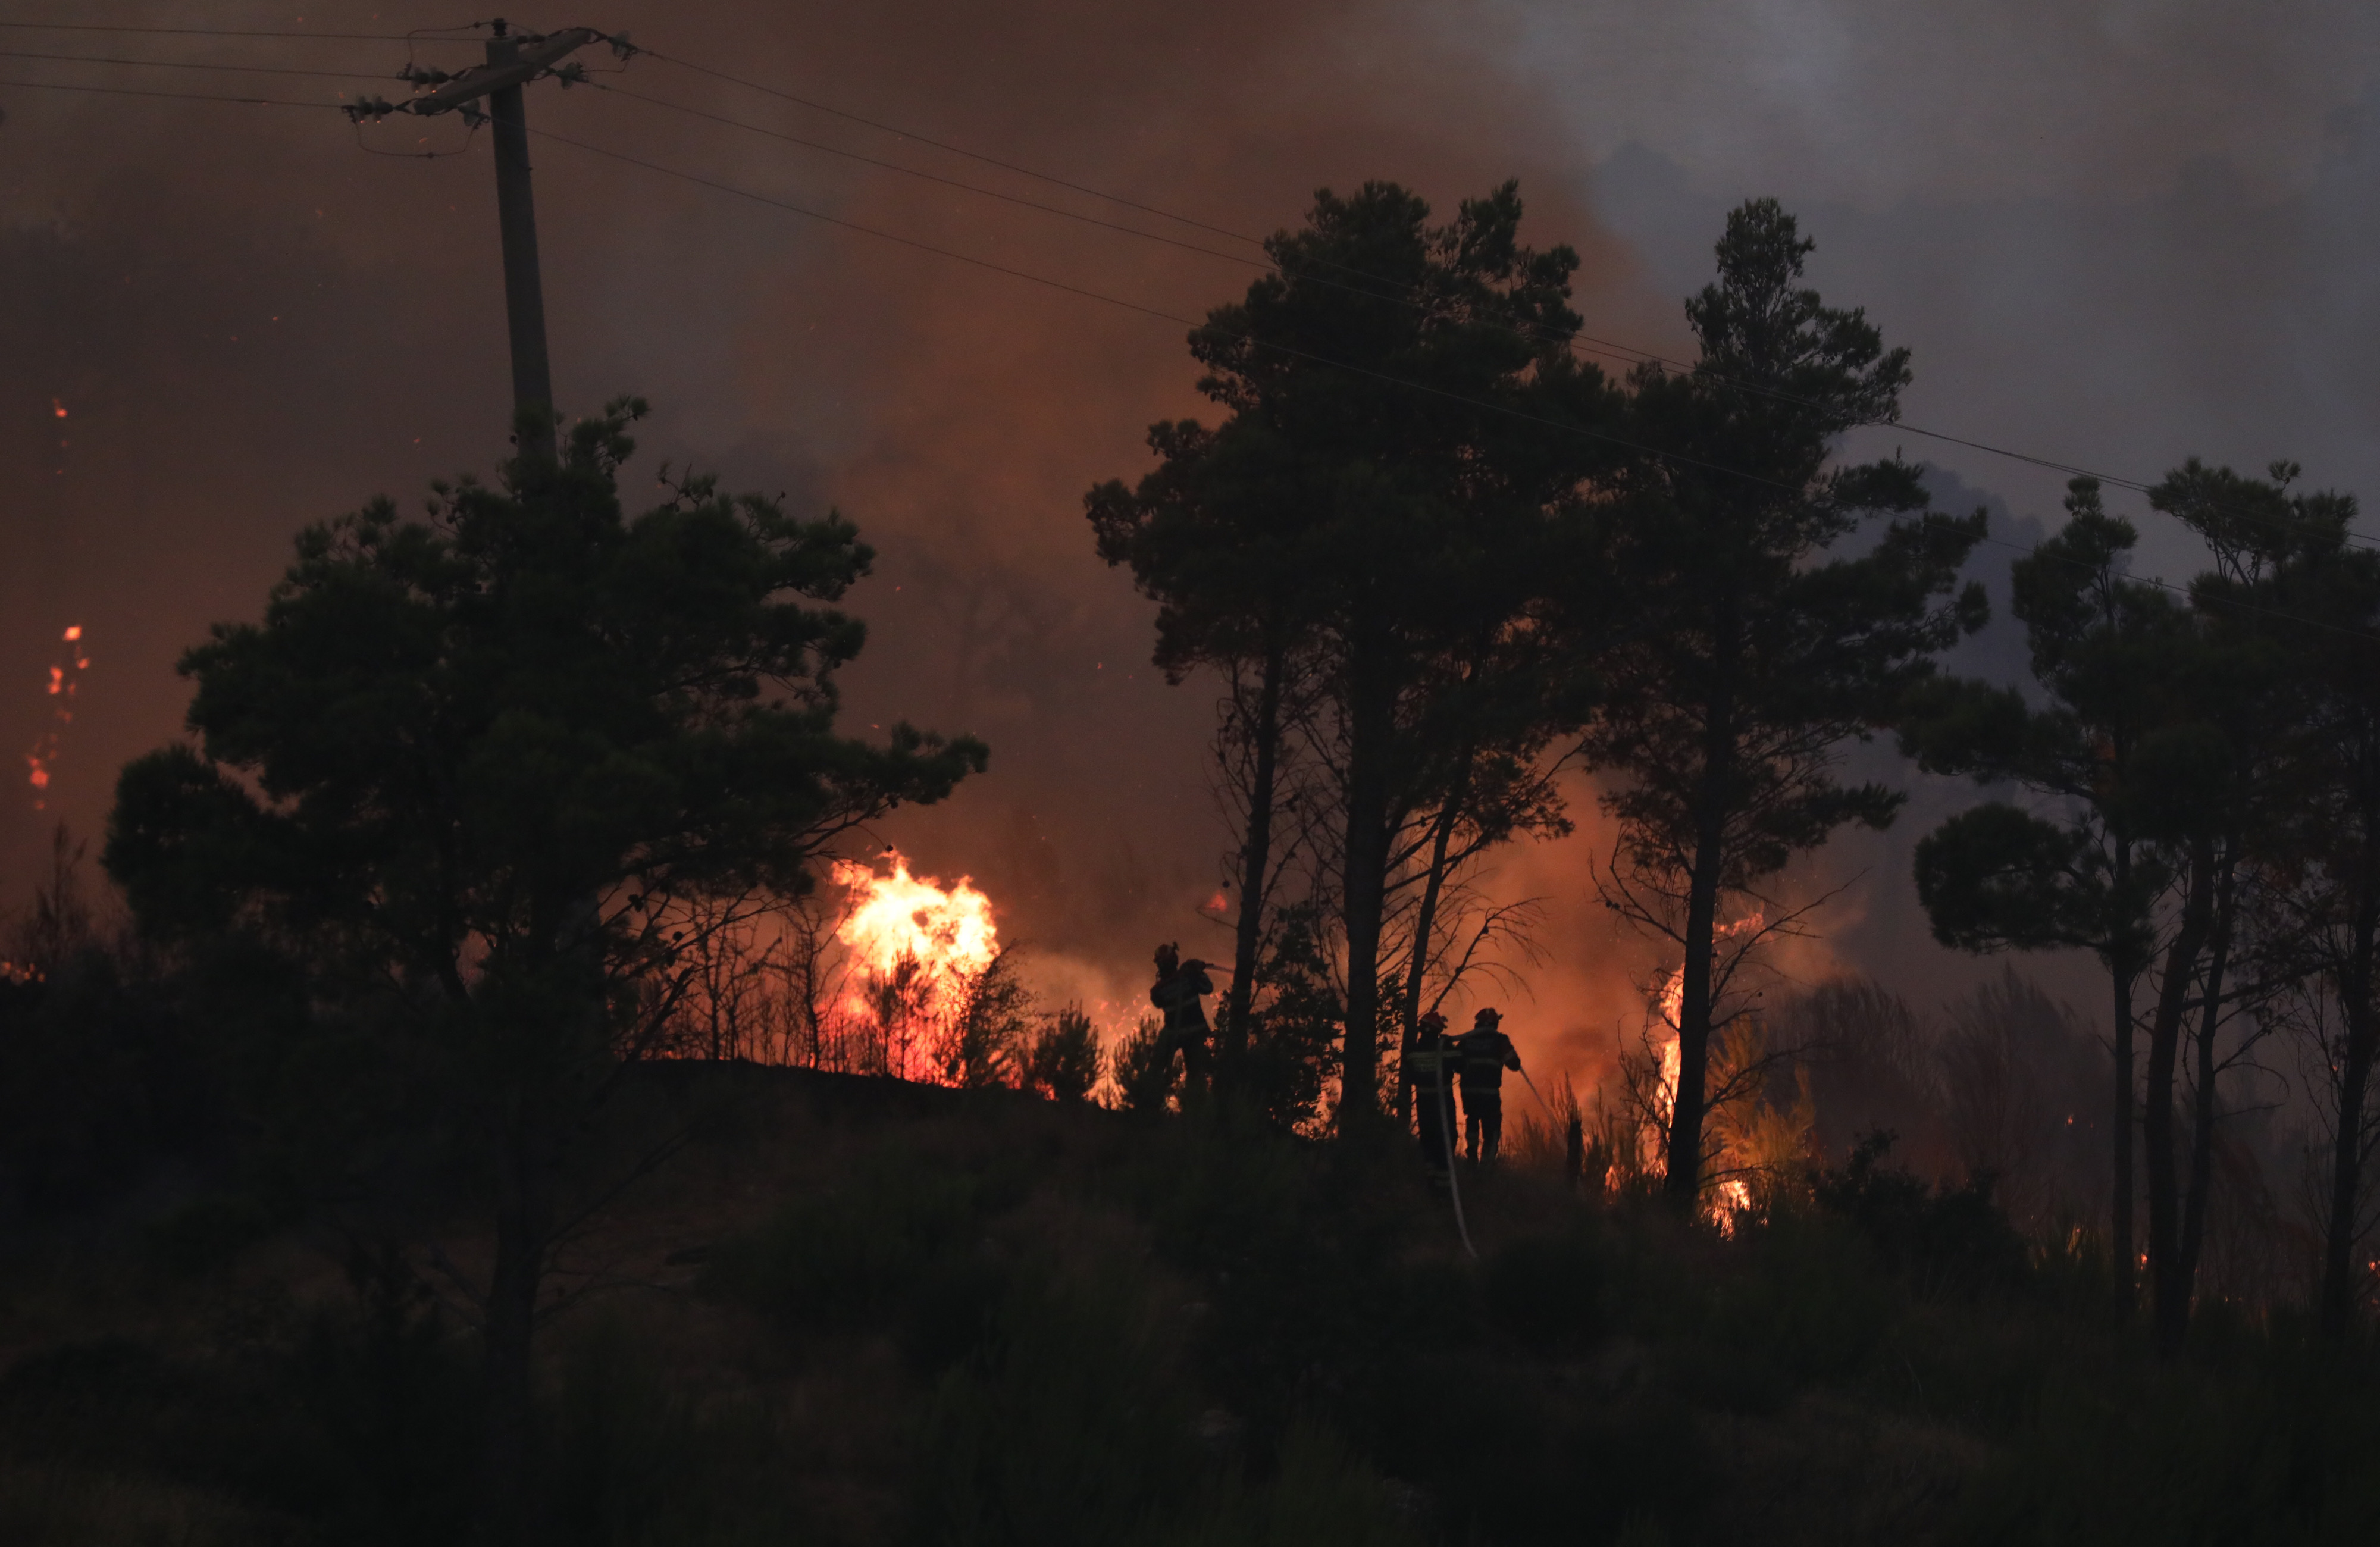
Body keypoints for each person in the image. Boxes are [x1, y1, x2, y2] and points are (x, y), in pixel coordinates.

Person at [1455, 1007, 1523, 1165]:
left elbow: (1456, 1066)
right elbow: (1514, 1064)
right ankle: (1487, 1162)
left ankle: (1471, 1155)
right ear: (1495, 1024)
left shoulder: (1466, 1040)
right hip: (1489, 1093)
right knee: (1491, 1126)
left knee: (1472, 1120)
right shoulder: (1500, 1040)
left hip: (1469, 1092)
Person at [1148, 942, 1214, 1095]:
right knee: (1196, 1075)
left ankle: (1149, 1098)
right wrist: (1197, 973)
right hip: (1194, 1033)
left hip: (1174, 1033)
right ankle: (1195, 1106)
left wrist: (1194, 973)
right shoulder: (1188, 979)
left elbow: (1158, 1001)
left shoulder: (1159, 990)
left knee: (1156, 1067)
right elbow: (1208, 988)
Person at [1404, 1012, 1458, 1176]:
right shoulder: (1445, 1048)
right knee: (1447, 1139)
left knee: (1428, 1137)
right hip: (1443, 1103)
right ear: (1437, 1030)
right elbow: (1462, 1066)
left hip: (1424, 1103)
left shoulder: (1412, 1051)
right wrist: (1450, 1045)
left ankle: (1430, 1174)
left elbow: (1409, 1076)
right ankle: (1443, 1183)